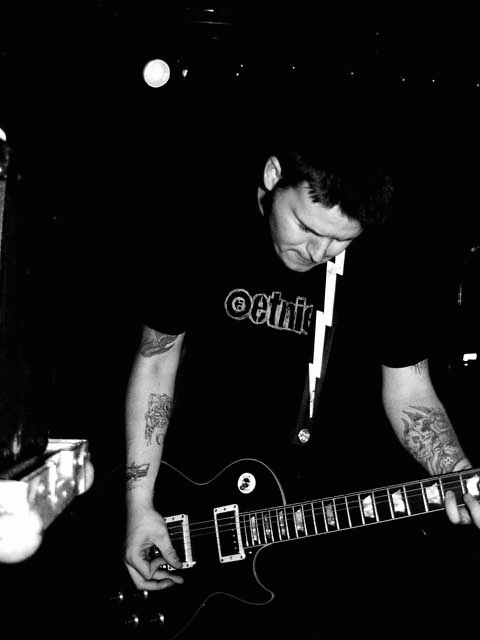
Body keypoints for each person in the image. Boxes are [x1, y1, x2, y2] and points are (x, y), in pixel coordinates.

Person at [122, 121, 479, 637]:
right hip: (198, 502)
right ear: (274, 177)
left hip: (321, 521)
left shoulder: (389, 259)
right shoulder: (201, 226)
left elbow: (410, 388)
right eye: (308, 228)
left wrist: (458, 471)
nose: (318, 252)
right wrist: (140, 505)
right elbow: (156, 362)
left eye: (341, 240)